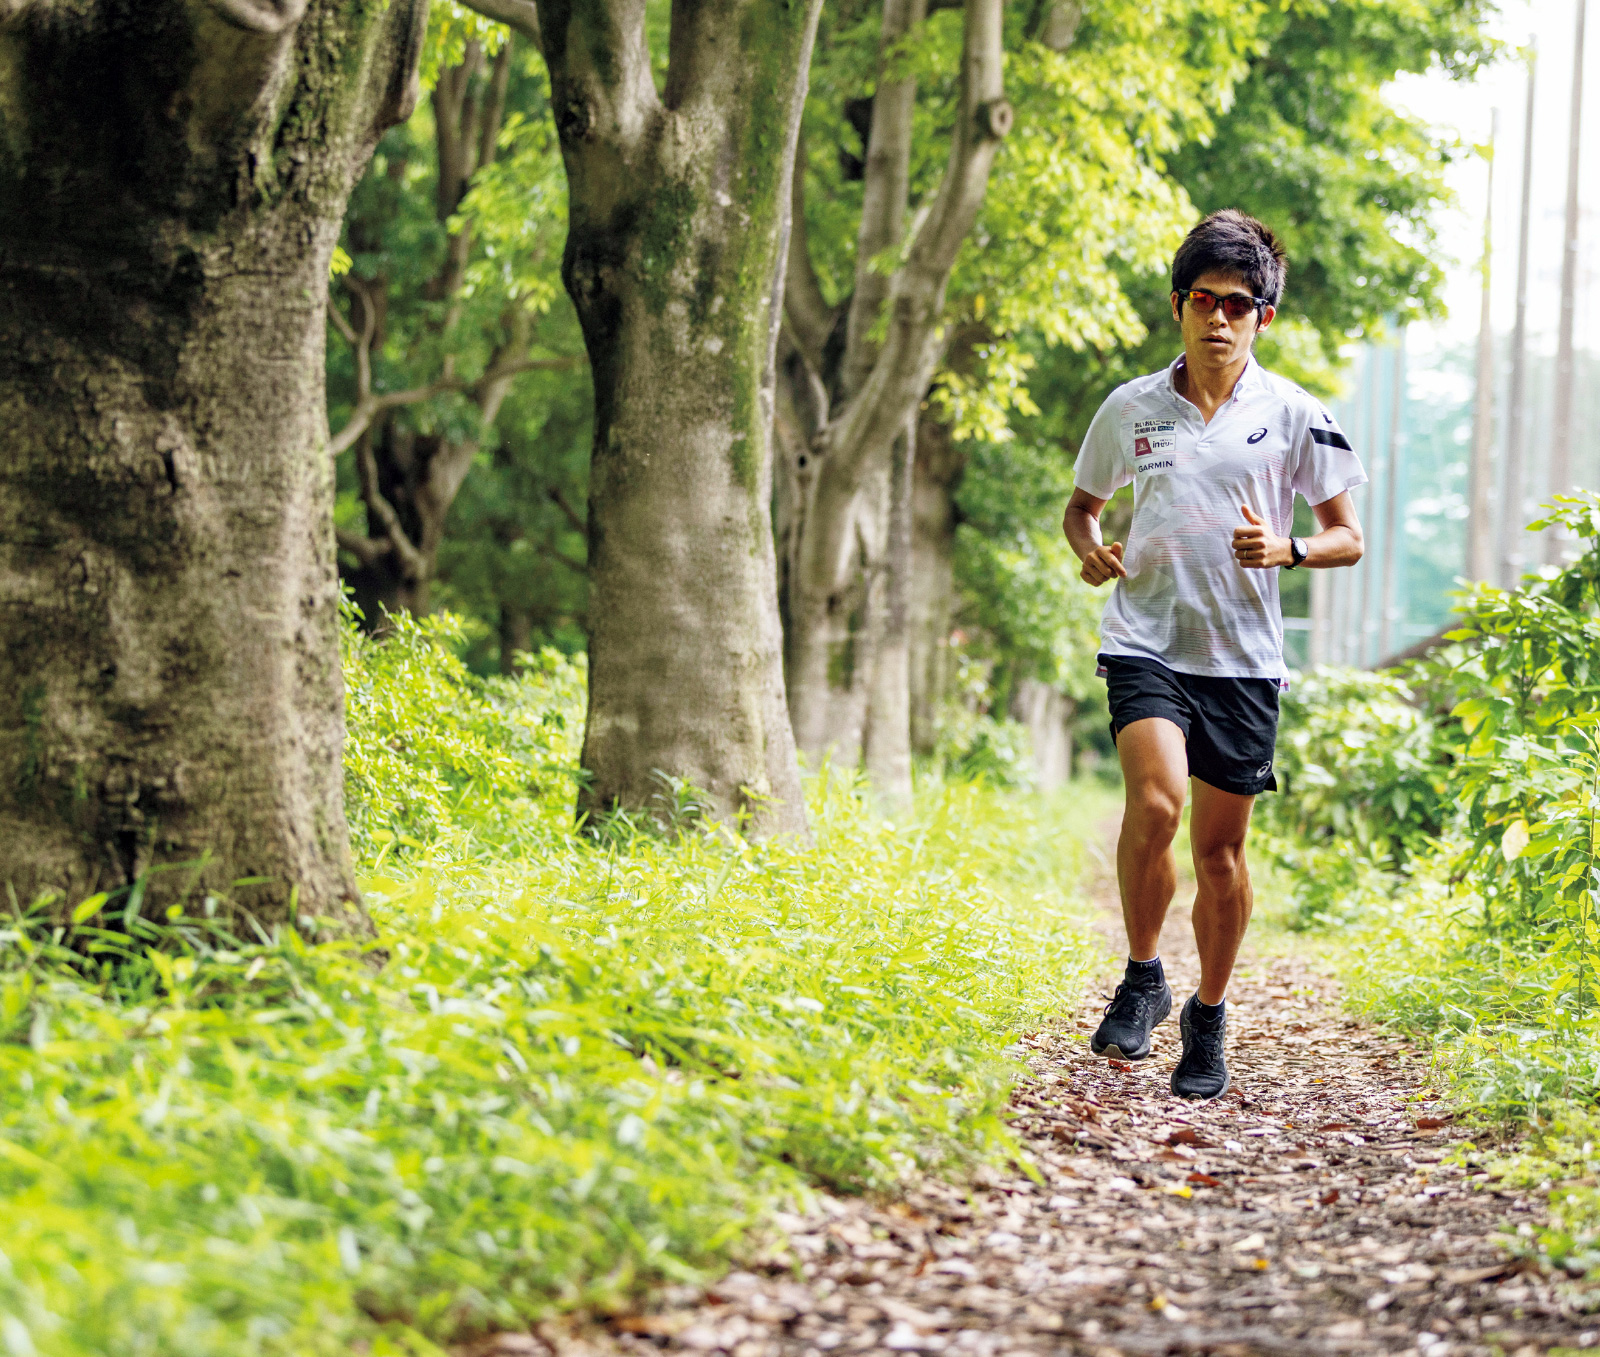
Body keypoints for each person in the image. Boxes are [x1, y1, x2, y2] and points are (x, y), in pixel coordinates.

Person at [1061, 210, 1367, 1100]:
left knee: (1220, 855)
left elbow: (1349, 536)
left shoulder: (1297, 414)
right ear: (1178, 306)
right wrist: (1089, 547)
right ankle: (1143, 973)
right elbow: (1083, 506)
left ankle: (1209, 1014)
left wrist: (1289, 550)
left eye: (1239, 304)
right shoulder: (1131, 407)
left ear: (1262, 318)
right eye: (1204, 300)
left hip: (1240, 658)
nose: (1219, 319)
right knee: (1153, 803)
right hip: (1145, 640)